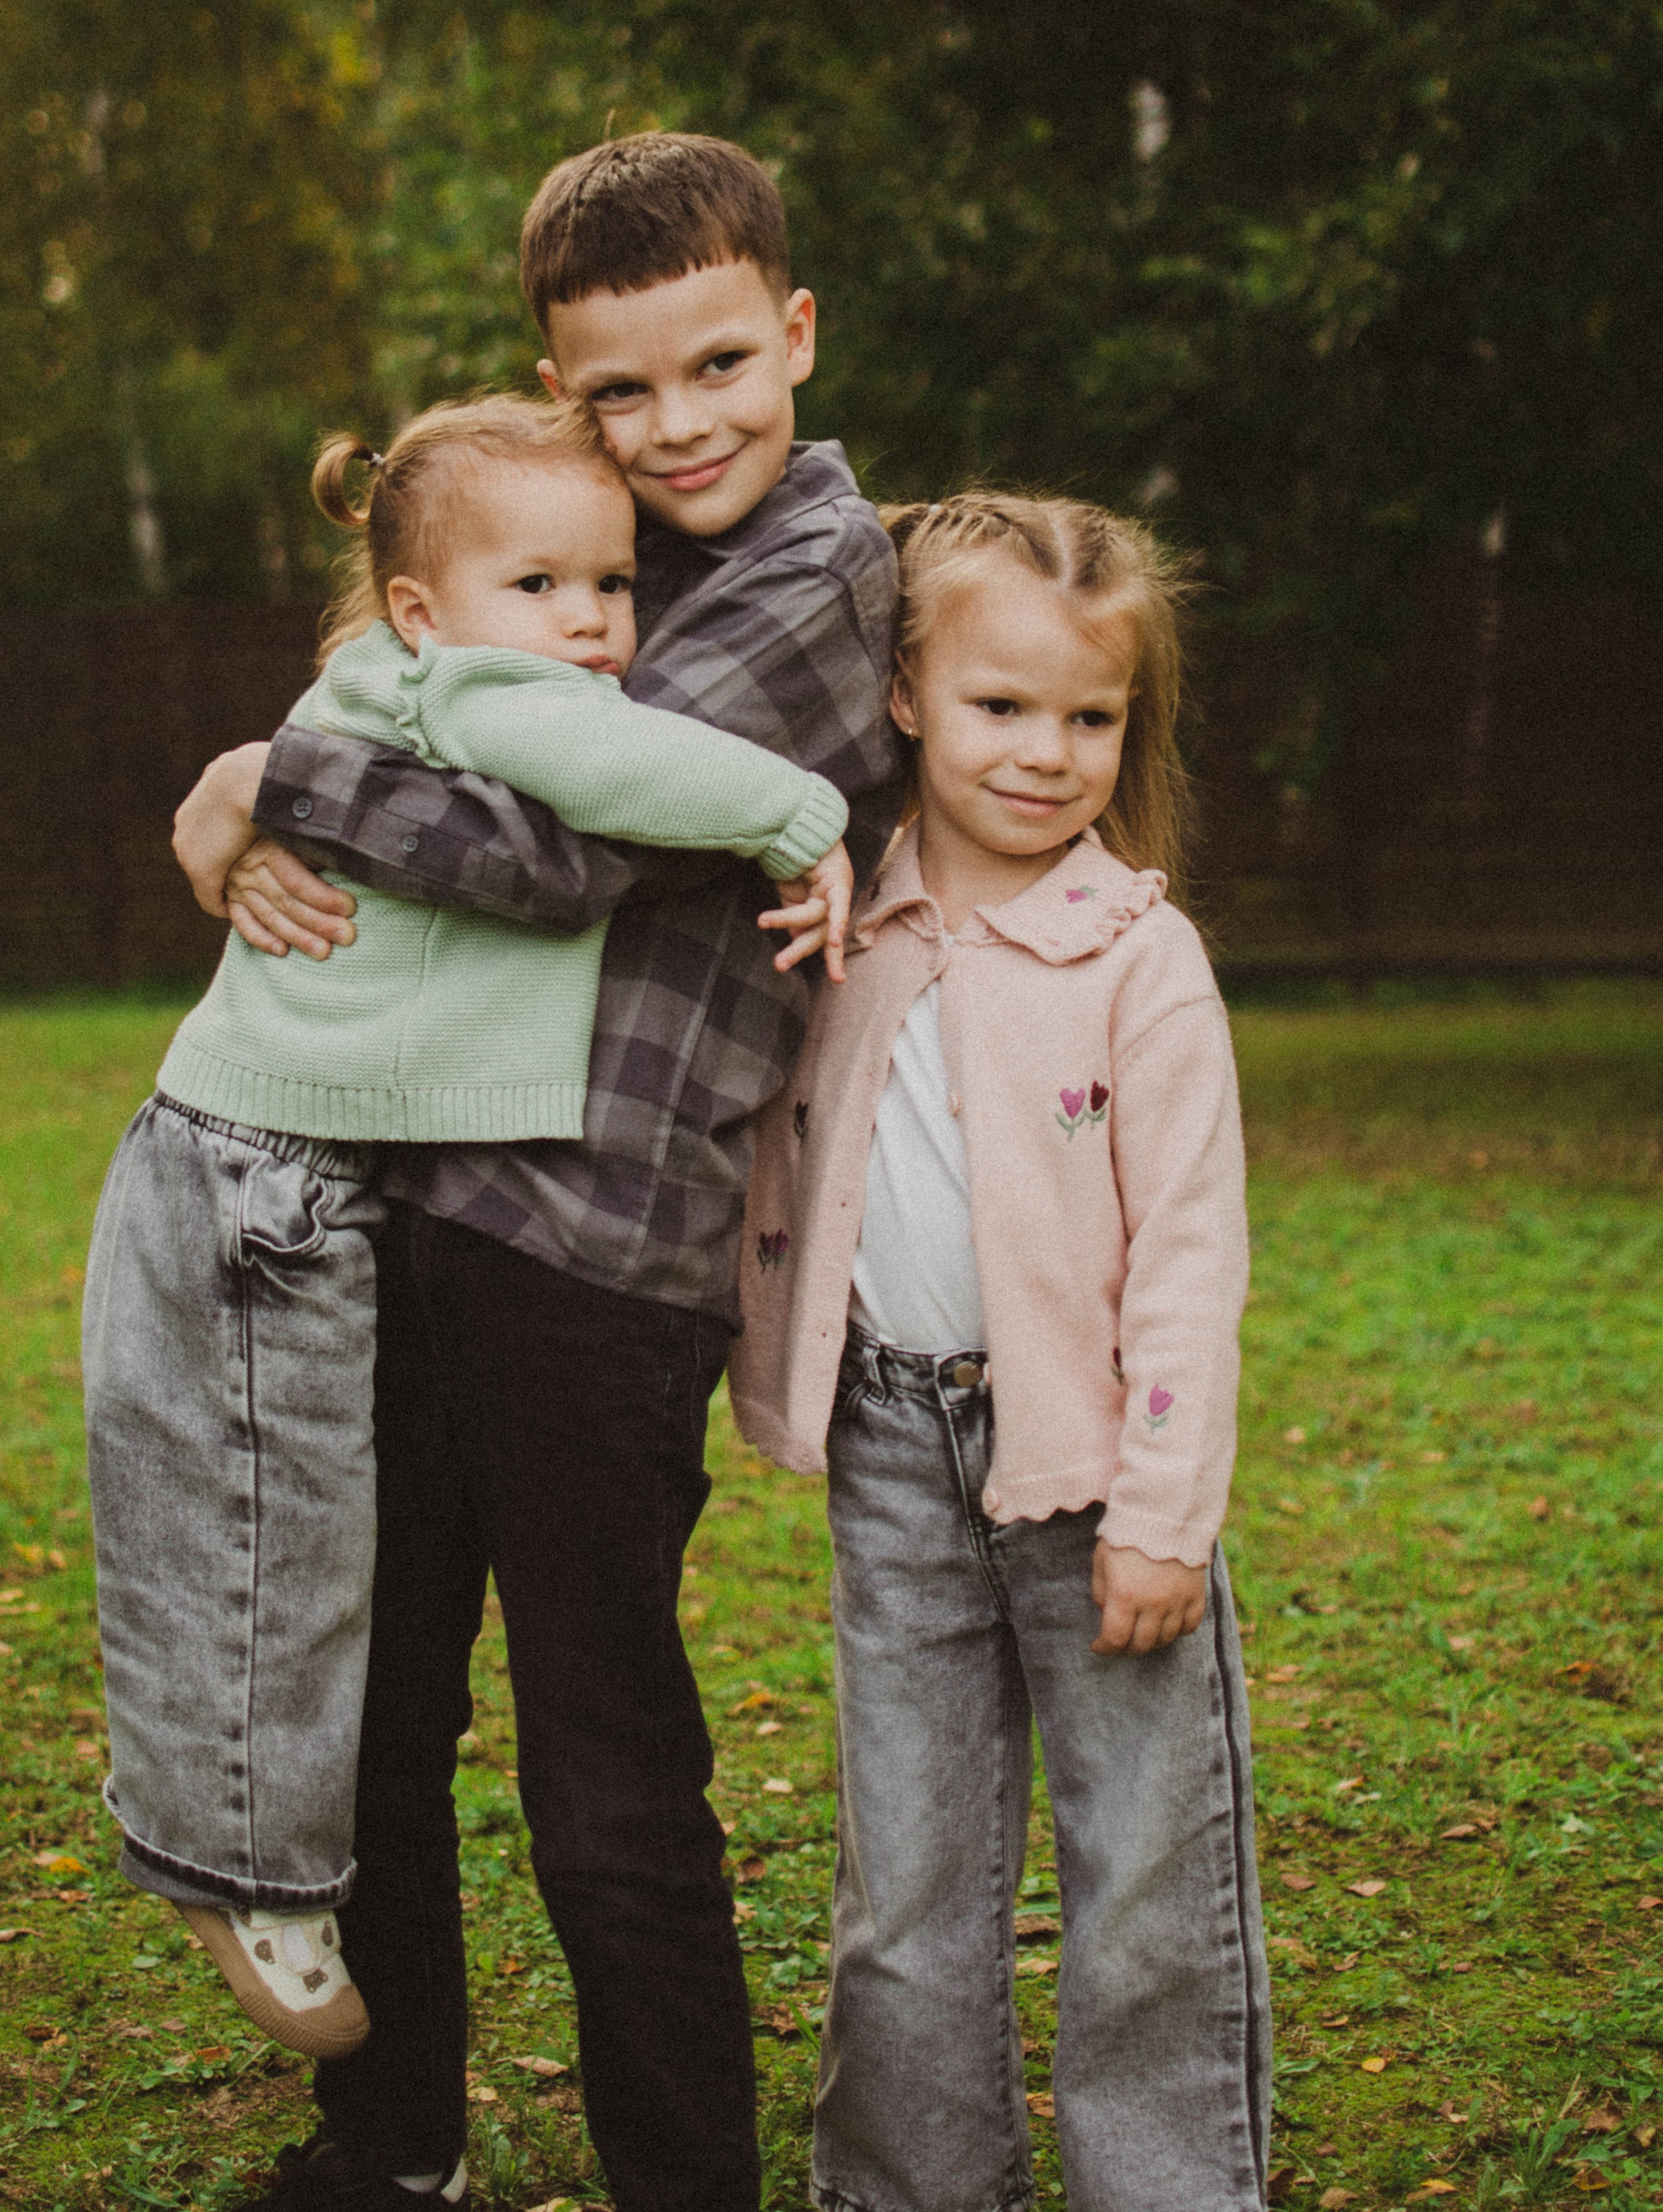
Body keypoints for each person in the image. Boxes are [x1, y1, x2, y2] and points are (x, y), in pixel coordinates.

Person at [169, 135, 906, 2212]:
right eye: (618, 391)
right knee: (375, 1715)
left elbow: (552, 845)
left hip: (598, 1253)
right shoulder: (579, 550)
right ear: (554, 389)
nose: (678, 427)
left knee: (606, 1768)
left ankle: (688, 2183)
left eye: (717, 366)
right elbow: (431, 705)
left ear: (797, 332)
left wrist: (260, 773)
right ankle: (387, 2146)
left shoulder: (814, 582)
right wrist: (299, 786)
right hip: (399, 1209)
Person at [84, 387, 854, 2070]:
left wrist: (251, 776)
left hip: (298, 1168)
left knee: (243, 1538)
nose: (588, 625)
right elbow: (603, 784)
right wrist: (807, 816)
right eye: (544, 588)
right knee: (249, 1547)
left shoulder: (403, 680)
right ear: (427, 610)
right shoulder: (495, 694)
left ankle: (249, 1865)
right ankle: (237, 1863)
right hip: (262, 1175)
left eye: (611, 586)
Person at [730, 492, 1272, 2212]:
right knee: (905, 1875)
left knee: (1143, 1873)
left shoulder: (1139, 958)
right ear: (903, 696)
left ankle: (1169, 2184)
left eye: (1089, 717)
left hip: (1093, 1468)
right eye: (999, 706)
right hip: (893, 1448)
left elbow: (1191, 1251)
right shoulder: (842, 922)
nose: (1046, 753)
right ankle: (906, 2179)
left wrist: (1161, 1514)